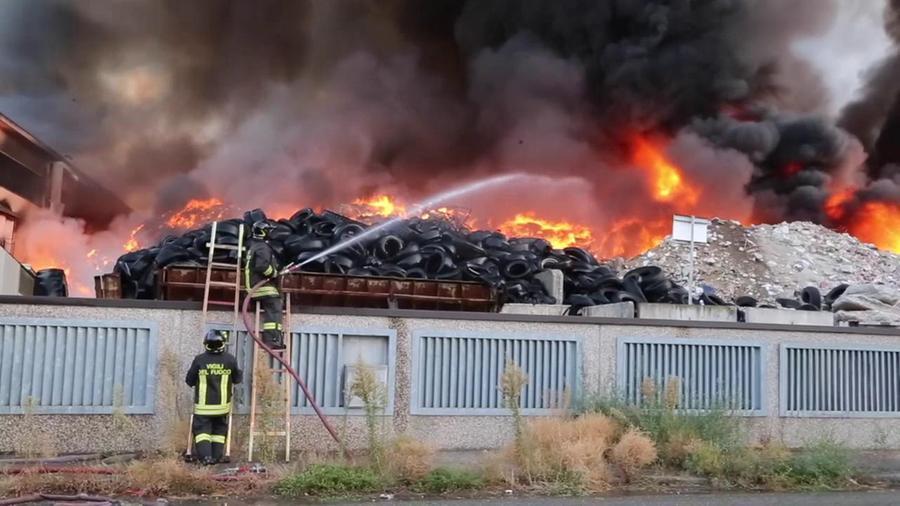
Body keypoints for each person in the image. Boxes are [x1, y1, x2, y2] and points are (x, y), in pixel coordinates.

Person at [185, 329, 242, 465]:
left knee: (202, 431)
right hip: (222, 407)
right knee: (219, 431)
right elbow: (237, 379)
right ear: (222, 344)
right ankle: (216, 457)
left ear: (206, 344)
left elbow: (189, 381)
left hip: (203, 407)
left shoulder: (200, 360)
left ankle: (206, 458)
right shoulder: (230, 359)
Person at [245, 220, 286, 350]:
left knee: (275, 296)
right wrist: (273, 273)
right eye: (268, 231)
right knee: (275, 303)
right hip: (258, 286)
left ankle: (274, 338)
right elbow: (261, 266)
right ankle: (272, 339)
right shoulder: (263, 247)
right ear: (264, 233)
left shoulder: (254, 245)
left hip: (253, 284)